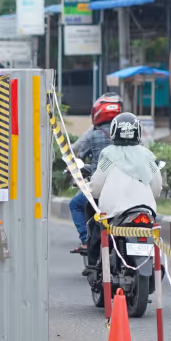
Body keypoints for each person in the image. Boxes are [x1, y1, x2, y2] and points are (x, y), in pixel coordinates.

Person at [85, 112, 163, 255]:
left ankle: (94, 262)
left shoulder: (108, 155)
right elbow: (157, 188)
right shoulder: (148, 156)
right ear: (137, 132)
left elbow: (96, 188)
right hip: (146, 211)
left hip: (114, 213)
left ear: (114, 131)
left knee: (96, 227)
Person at [69, 93, 122, 252]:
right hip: (126, 186)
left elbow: (79, 155)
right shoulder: (129, 136)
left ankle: (86, 240)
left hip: (100, 186)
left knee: (75, 204)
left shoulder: (94, 135)